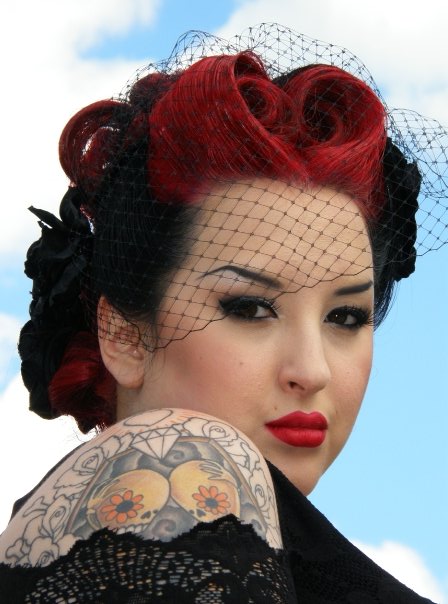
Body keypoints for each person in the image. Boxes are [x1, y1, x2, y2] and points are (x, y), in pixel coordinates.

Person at [0, 24, 446, 602]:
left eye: (345, 317)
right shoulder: (184, 460)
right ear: (125, 335)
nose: (312, 371)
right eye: (251, 308)